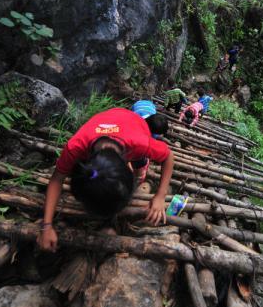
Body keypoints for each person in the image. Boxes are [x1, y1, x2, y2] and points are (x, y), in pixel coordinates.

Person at [37, 108, 174, 252]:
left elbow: (168, 156)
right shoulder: (76, 147)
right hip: (107, 120)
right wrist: (46, 225)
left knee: (139, 163)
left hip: (134, 122)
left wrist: (160, 195)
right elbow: (57, 179)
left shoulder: (141, 144)